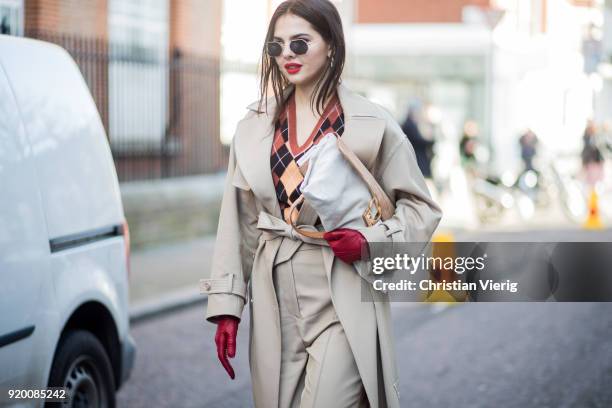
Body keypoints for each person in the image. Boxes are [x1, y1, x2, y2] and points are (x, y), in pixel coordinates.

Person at [199, 1, 442, 407]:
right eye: (277, 47)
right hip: (272, 294)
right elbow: (238, 220)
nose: (287, 55)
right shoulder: (252, 128)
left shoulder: (373, 124)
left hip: (342, 293)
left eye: (299, 42)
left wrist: (369, 241)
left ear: (331, 45)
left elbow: (422, 209)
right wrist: (227, 305)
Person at [401, 107, 434, 178]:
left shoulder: (412, 123)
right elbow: (417, 140)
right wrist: (430, 141)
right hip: (417, 156)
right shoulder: (409, 124)